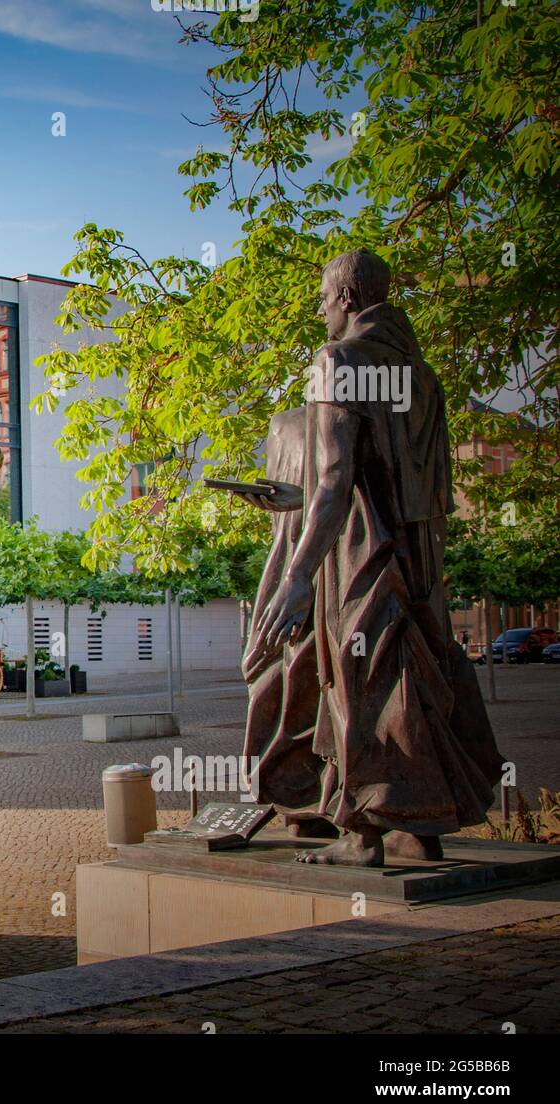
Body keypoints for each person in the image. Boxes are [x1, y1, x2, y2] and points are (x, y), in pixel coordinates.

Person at [242, 250, 503, 867]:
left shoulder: (338, 362)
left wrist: (299, 575)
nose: (321, 311)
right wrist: (292, 498)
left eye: (325, 300)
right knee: (408, 676)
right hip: (415, 555)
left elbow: (336, 482)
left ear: (348, 299)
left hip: (356, 550)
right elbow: (392, 477)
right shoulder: (420, 374)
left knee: (357, 680)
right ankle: (419, 825)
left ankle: (362, 836)